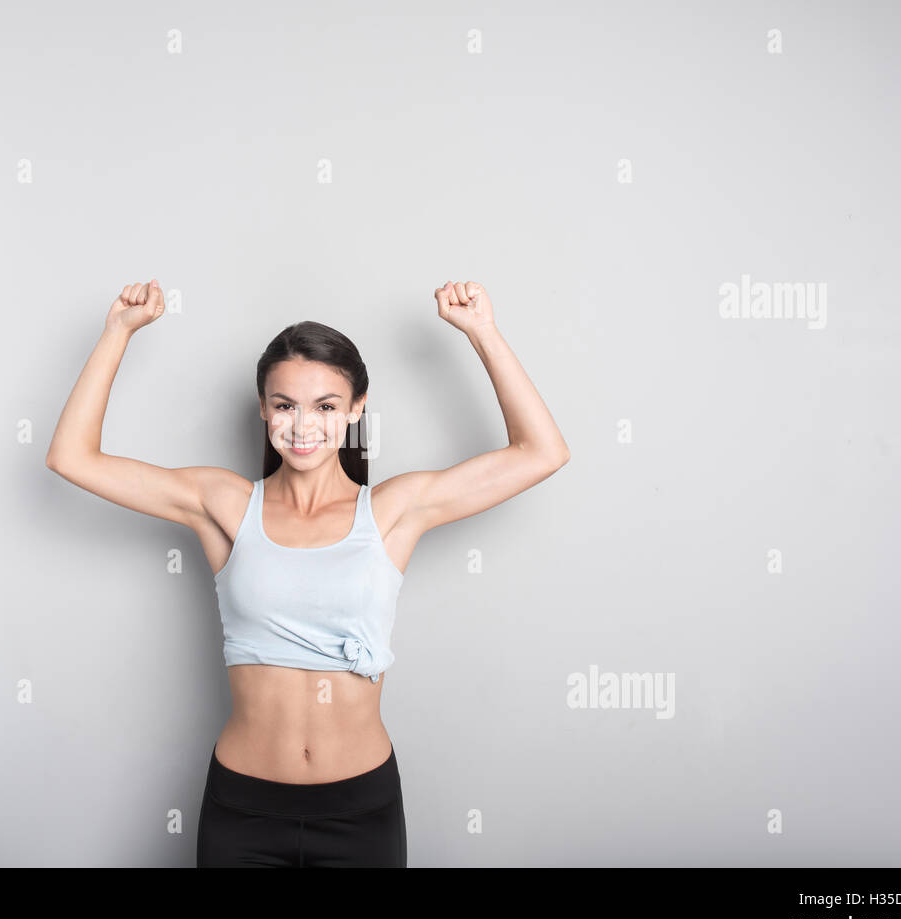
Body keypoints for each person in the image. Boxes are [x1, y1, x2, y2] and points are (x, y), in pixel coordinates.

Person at [46, 278, 570, 866]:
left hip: (359, 810)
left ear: (355, 410)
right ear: (263, 408)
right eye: (284, 404)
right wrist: (117, 332)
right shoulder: (223, 504)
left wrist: (484, 333)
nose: (302, 425)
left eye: (325, 406)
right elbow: (72, 457)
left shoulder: (394, 512)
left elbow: (541, 452)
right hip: (243, 811)